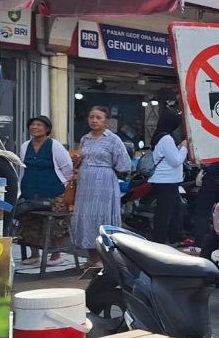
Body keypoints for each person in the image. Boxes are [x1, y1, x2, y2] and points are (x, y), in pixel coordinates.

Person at [71, 107, 132, 267]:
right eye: (91, 117)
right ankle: (93, 259)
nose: (94, 120)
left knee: (101, 218)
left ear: (106, 122)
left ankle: (105, 259)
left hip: (104, 183)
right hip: (85, 185)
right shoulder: (85, 139)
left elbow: (124, 165)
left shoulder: (113, 139)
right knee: (86, 218)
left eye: (98, 117)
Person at [17, 116, 74, 266]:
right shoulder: (25, 146)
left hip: (53, 192)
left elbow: (67, 168)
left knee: (57, 224)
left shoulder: (54, 146)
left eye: (39, 125)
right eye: (32, 125)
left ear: (47, 129)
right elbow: (22, 167)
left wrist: (63, 184)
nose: (35, 127)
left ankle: (56, 256)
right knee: (29, 222)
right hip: (30, 191)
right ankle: (34, 254)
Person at [147, 111, 189, 245]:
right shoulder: (166, 139)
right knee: (164, 213)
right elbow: (176, 161)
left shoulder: (160, 136)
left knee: (176, 210)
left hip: (167, 181)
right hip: (166, 181)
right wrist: (184, 148)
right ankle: (159, 241)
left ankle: (175, 237)